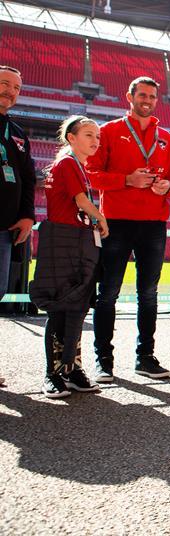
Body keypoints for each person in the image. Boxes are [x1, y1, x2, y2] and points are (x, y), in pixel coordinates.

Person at [86, 76, 170, 382]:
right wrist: (127, 180)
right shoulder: (109, 131)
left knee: (149, 294)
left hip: (154, 224)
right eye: (142, 94)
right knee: (108, 293)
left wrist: (167, 186)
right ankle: (103, 359)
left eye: (152, 96)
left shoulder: (167, 138)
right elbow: (91, 175)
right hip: (116, 222)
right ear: (129, 96)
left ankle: (146, 357)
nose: (147, 100)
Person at [29, 116, 109, 398]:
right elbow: (81, 202)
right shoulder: (67, 163)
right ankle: (53, 374)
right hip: (63, 241)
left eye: (97, 136)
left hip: (78, 241)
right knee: (61, 306)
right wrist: (101, 219)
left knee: (77, 305)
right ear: (70, 137)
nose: (95, 141)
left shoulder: (78, 166)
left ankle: (72, 370)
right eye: (88, 135)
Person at [0, 66, 35, 390]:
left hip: (4, 230)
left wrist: (27, 216)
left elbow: (27, 179)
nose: (10, 91)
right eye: (5, 84)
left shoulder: (18, 134)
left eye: (16, 88)